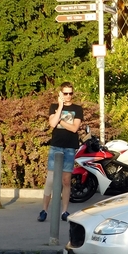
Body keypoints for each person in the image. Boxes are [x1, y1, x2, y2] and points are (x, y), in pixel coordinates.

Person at [38, 82, 83, 222]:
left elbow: (74, 128)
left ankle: (64, 211)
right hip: (56, 147)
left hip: (69, 147)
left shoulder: (78, 109)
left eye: (70, 93)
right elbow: (52, 124)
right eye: (65, 93)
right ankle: (44, 210)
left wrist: (61, 122)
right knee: (50, 180)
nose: (68, 96)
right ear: (60, 94)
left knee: (66, 180)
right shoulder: (54, 107)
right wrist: (60, 107)